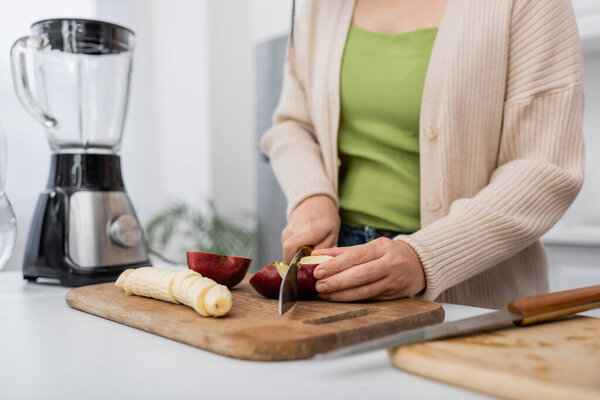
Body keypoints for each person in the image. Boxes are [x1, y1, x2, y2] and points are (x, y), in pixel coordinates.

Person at [260, 0, 585, 308]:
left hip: (473, 287)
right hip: (336, 266)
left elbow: (543, 166)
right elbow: (293, 125)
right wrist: (312, 197)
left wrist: (427, 256)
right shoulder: (320, 7)